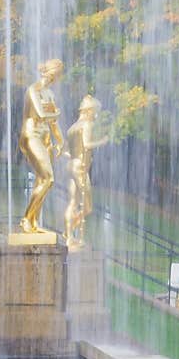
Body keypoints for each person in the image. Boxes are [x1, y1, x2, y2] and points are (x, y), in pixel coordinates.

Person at [18, 58, 65, 234]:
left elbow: (53, 123)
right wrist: (55, 114)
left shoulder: (49, 94)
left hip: (45, 138)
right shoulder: (33, 90)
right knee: (48, 179)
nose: (58, 78)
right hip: (31, 135)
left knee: (41, 180)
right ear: (53, 73)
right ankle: (25, 218)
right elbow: (40, 114)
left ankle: (34, 221)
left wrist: (60, 141)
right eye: (58, 74)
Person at [63, 95, 108, 249]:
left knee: (73, 202)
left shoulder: (72, 128)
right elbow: (87, 144)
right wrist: (102, 141)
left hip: (71, 165)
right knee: (87, 206)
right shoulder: (87, 125)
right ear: (89, 111)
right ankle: (71, 230)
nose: (95, 115)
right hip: (81, 168)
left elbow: (66, 152)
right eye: (95, 112)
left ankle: (69, 236)